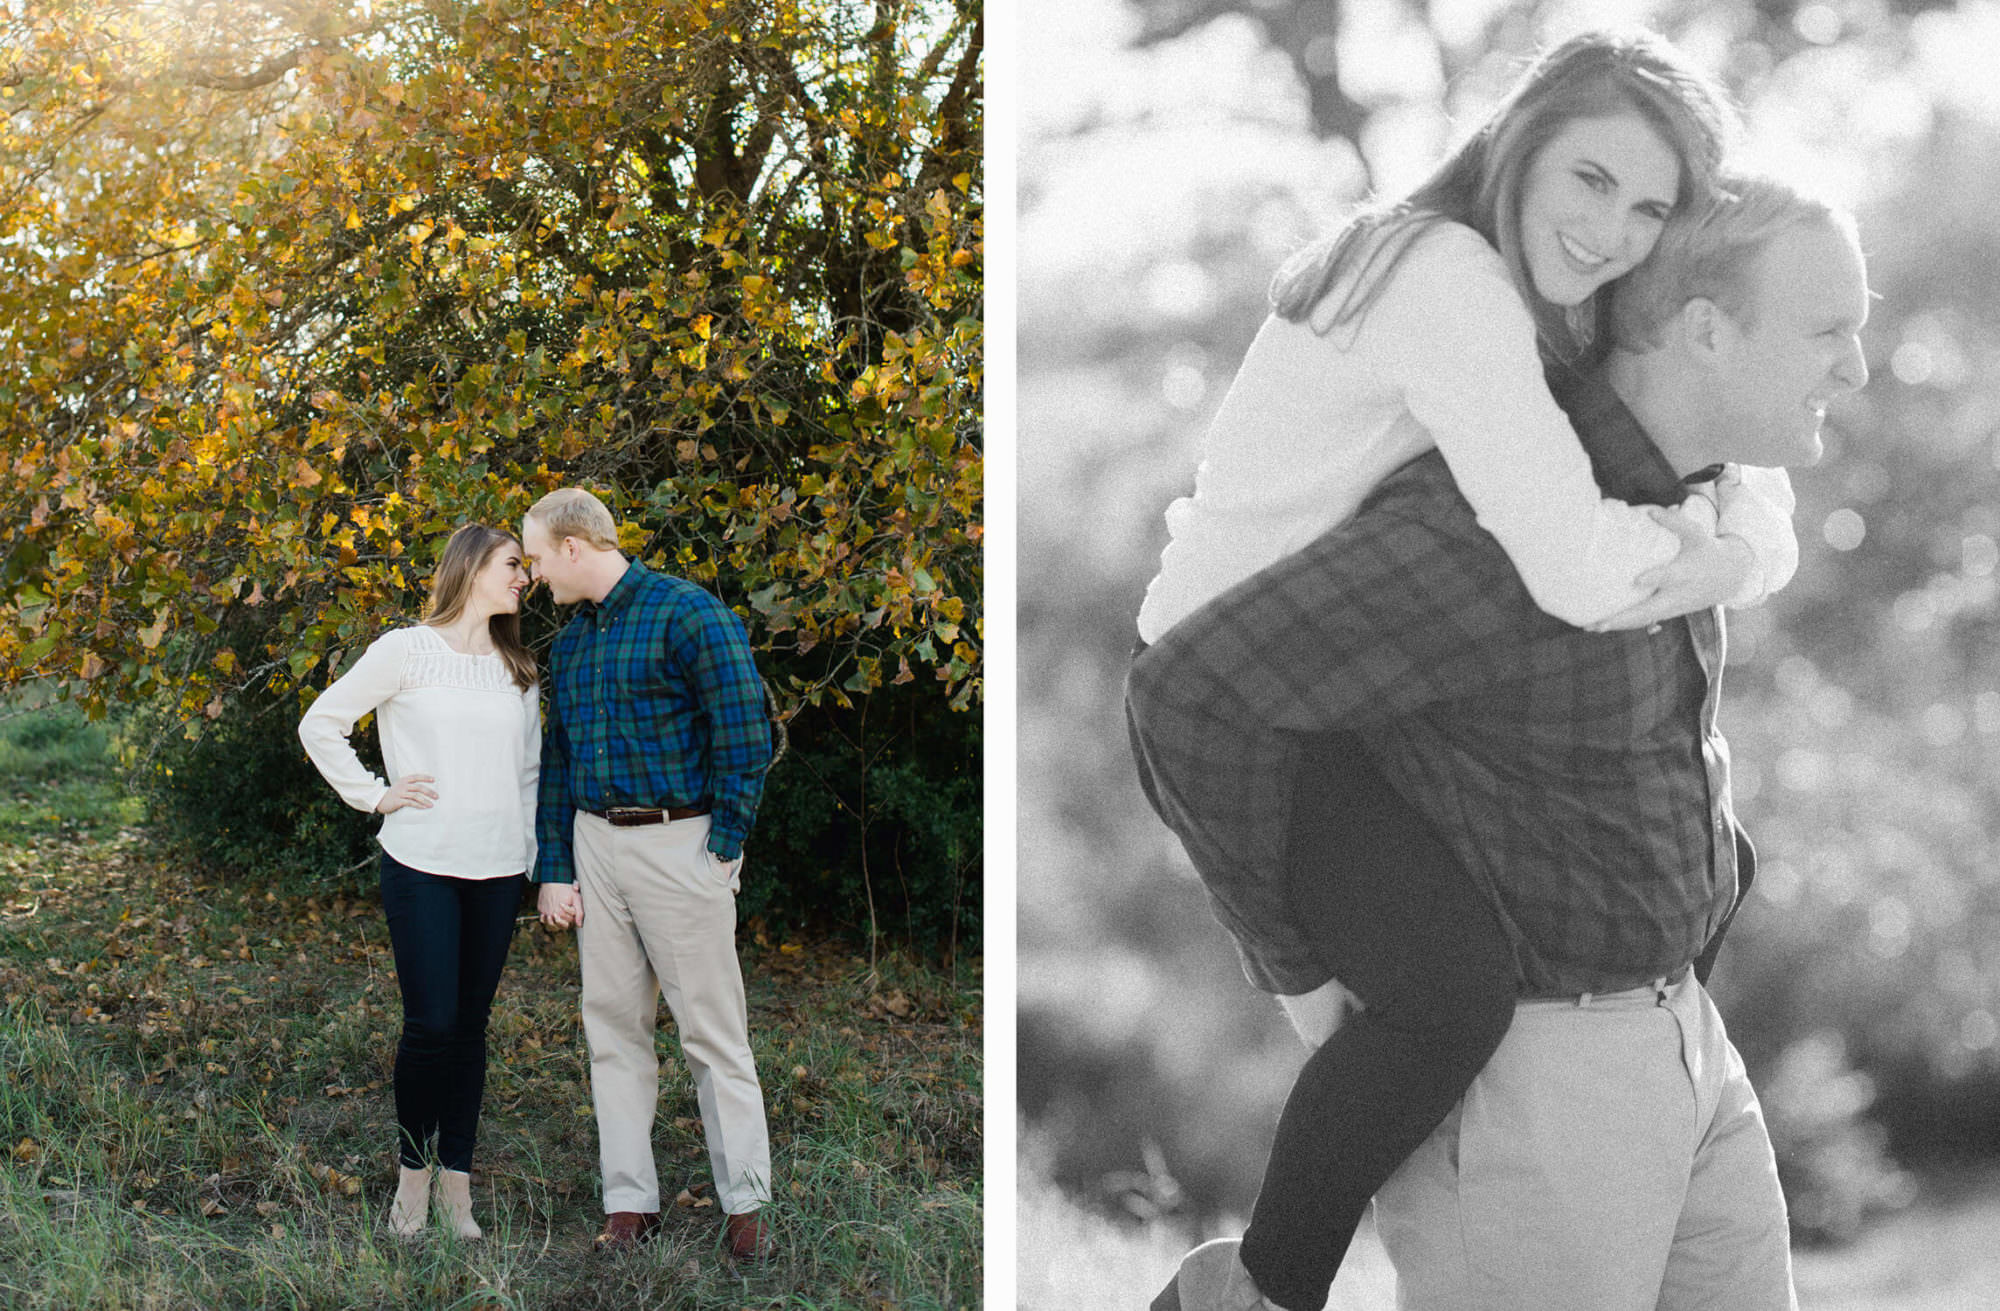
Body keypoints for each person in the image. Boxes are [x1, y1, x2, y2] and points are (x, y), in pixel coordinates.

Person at [1131, 30, 1797, 1311]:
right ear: (1520, 140)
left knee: (1704, 863)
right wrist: (1705, 557)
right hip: (1246, 699)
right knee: (1449, 998)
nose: (1612, 231)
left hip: (1353, 680)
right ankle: (1255, 1293)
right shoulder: (1444, 277)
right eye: (1590, 180)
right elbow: (1573, 567)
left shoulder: (1528, 286)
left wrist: (1729, 546)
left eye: (1649, 205)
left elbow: (1738, 478)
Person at [522, 487, 777, 1262]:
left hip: (681, 843)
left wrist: (723, 846)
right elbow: (558, 766)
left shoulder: (687, 614)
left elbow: (746, 731)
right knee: (613, 1030)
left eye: (535, 558)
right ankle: (629, 1202)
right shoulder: (569, 647)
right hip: (595, 846)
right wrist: (556, 871)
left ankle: (748, 1208)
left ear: (573, 546)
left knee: (713, 1034)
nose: (532, 576)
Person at [297, 523, 540, 1241]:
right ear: (470, 568)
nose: (522, 578)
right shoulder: (404, 649)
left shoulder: (517, 666)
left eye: (524, 568)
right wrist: (375, 794)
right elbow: (321, 723)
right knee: (430, 1024)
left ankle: (457, 1189)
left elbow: (529, 774)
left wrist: (529, 859)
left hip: (498, 872)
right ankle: (412, 1179)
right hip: (421, 865)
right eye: (511, 565)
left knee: (470, 1029)